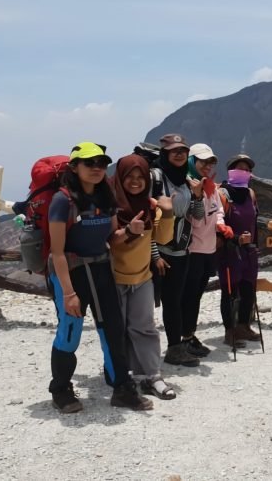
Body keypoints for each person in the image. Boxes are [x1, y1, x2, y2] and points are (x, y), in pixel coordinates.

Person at [46, 142, 152, 413]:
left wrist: (131, 231)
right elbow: (57, 252)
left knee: (113, 331)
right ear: (74, 167)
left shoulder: (106, 197)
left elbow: (112, 239)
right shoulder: (63, 200)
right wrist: (69, 293)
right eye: (89, 163)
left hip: (101, 270)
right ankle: (61, 389)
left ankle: (121, 388)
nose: (97, 168)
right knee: (70, 334)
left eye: (102, 163)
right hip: (71, 273)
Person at [108, 154, 177, 400]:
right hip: (113, 278)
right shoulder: (109, 204)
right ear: (120, 178)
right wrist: (127, 231)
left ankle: (151, 376)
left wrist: (168, 213)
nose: (135, 182)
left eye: (141, 177)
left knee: (145, 328)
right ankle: (122, 376)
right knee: (117, 330)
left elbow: (163, 238)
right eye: (130, 177)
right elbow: (109, 241)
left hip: (141, 277)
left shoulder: (149, 206)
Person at [151, 134, 205, 367]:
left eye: (183, 150)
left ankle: (175, 348)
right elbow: (147, 218)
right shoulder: (156, 178)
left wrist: (197, 196)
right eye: (174, 151)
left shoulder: (186, 179)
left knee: (175, 300)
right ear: (165, 153)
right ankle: (141, 354)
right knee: (153, 302)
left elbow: (197, 216)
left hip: (181, 250)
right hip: (159, 251)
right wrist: (154, 255)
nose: (179, 154)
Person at [179, 143, 225, 357]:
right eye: (203, 161)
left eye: (211, 162)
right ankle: (185, 336)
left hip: (209, 249)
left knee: (196, 295)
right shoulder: (188, 186)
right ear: (192, 161)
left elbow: (219, 210)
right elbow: (196, 220)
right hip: (193, 250)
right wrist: (198, 196)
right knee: (189, 295)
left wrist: (221, 223)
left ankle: (189, 333)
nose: (208, 165)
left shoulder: (211, 187)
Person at [217, 154, 262, 347]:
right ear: (230, 171)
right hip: (229, 251)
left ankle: (243, 326)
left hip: (249, 251)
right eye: (239, 168)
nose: (244, 172)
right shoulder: (221, 194)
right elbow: (217, 224)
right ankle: (230, 331)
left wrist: (255, 245)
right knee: (229, 291)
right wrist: (235, 239)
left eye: (247, 169)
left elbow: (255, 222)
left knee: (248, 289)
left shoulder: (250, 194)